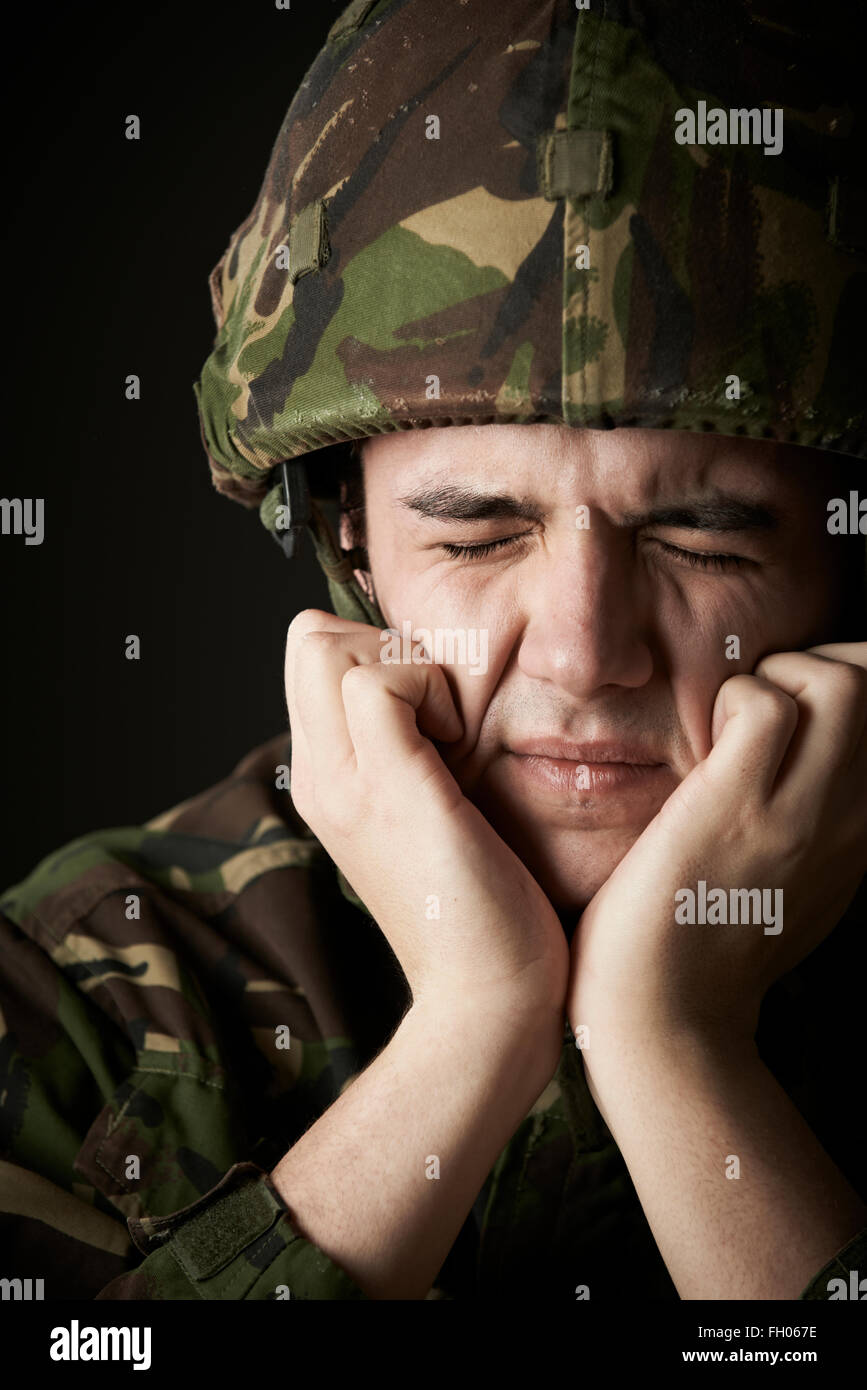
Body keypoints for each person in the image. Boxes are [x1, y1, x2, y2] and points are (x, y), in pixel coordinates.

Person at [1, 0, 865, 1302]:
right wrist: (470, 1031)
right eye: (474, 530)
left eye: (703, 534)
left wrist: (676, 1047)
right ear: (352, 541)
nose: (582, 652)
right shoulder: (90, 992)